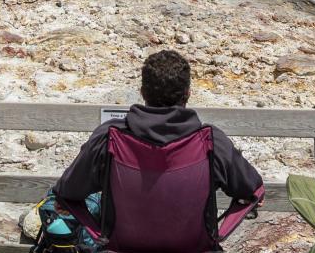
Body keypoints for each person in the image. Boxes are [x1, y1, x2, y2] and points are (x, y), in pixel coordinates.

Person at [54, 49, 264, 213]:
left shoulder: (110, 137)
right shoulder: (211, 141)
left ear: (142, 92)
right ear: (188, 94)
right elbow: (253, 189)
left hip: (122, 246)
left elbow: (68, 191)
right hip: (193, 246)